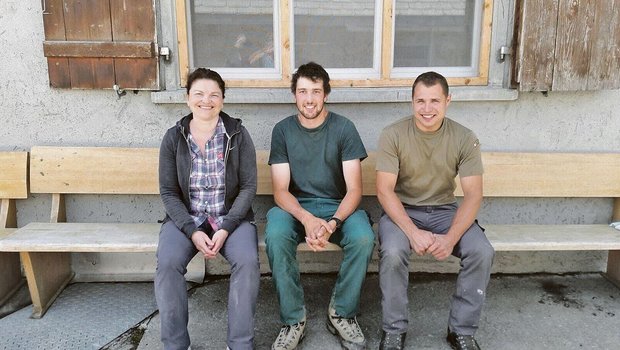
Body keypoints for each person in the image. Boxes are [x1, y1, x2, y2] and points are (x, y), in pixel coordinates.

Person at [376, 71, 494, 350]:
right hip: (402, 211)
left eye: (434, 101)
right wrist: (413, 233)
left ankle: (462, 331)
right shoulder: (393, 134)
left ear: (447, 101)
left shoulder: (464, 137)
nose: (427, 109)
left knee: (482, 251)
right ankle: (394, 330)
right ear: (411, 101)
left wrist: (450, 238)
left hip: (445, 211)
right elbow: (384, 190)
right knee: (393, 253)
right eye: (420, 101)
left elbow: (473, 194)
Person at [265, 62, 375, 350]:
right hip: (296, 208)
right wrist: (307, 219)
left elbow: (355, 190)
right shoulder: (283, 131)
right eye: (302, 91)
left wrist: (333, 223)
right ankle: (293, 320)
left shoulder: (343, 128)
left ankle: (341, 312)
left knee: (363, 237)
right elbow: (279, 191)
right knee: (275, 234)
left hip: (338, 208)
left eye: (316, 91)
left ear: (326, 94)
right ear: (294, 95)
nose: (309, 99)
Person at [155, 68, 259, 350]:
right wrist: (191, 231)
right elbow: (168, 191)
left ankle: (239, 344)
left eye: (214, 95)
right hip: (186, 219)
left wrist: (226, 228)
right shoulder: (173, 138)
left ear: (222, 100)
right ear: (188, 98)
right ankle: (176, 345)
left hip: (231, 219)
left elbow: (249, 186)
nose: (206, 100)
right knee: (167, 264)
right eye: (199, 94)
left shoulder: (237, 134)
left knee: (247, 262)